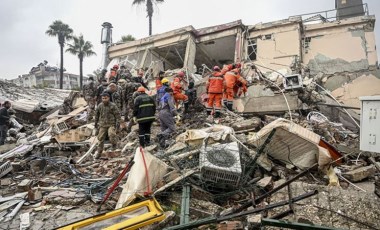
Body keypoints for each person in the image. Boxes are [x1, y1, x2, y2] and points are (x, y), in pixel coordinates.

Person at [94, 92, 125, 157]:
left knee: (111, 134)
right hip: (102, 125)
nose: (104, 99)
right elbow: (96, 115)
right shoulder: (100, 106)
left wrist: (117, 126)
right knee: (100, 138)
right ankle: (99, 152)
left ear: (108, 98)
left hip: (111, 124)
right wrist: (95, 124)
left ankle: (114, 145)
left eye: (105, 98)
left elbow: (117, 116)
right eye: (103, 98)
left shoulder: (112, 105)